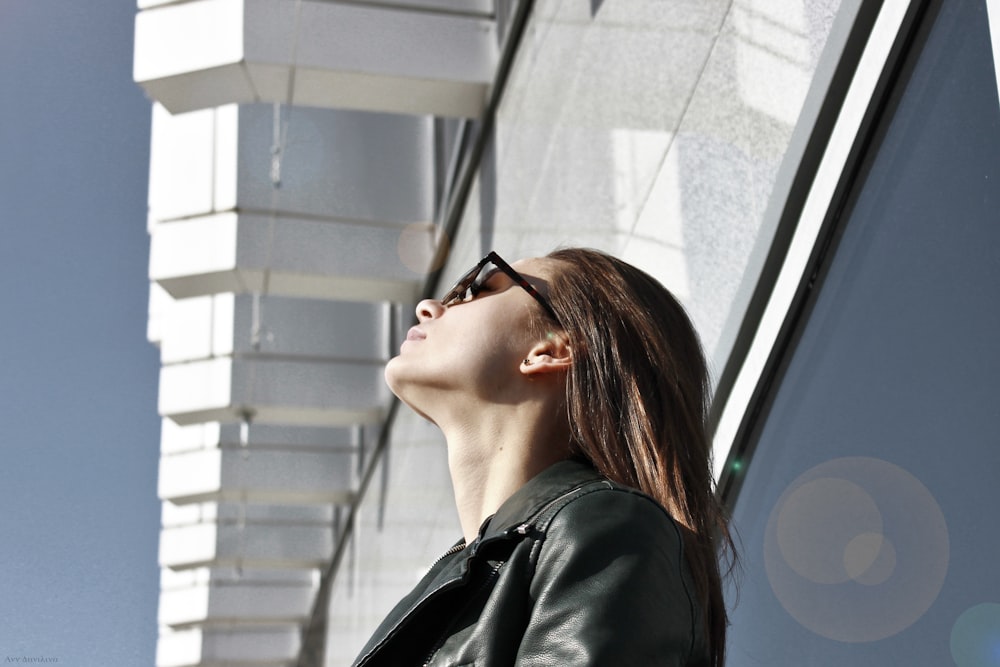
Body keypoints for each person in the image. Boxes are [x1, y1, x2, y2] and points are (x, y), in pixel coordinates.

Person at [351, 248, 734, 667]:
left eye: (479, 288)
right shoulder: (464, 576)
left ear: (552, 348)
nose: (429, 306)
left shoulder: (602, 527)